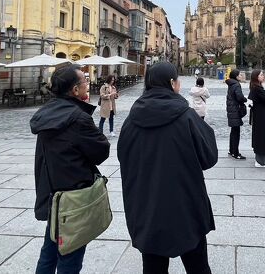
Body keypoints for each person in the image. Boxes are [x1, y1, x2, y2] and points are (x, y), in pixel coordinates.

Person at [118, 62, 218, 273]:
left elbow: (123, 157)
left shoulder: (131, 120)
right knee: (198, 266)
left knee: (153, 268)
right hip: (185, 207)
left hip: (147, 210)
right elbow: (209, 157)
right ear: (172, 83)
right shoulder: (187, 116)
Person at [30, 65, 110, 274]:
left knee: (49, 253)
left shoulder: (46, 113)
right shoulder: (78, 118)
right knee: (70, 258)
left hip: (53, 195)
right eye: (85, 80)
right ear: (75, 90)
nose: (88, 83)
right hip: (73, 198)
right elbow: (101, 151)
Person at [248, 69, 265, 167]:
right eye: (261, 75)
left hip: (258, 114)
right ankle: (260, 161)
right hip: (260, 116)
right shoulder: (257, 88)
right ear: (256, 77)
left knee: (261, 136)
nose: (263, 76)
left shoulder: (256, 87)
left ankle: (261, 159)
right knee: (261, 137)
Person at [226, 69, 248, 160]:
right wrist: (244, 99)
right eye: (240, 75)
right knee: (236, 133)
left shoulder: (231, 83)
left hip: (231, 109)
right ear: (236, 76)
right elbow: (239, 97)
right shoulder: (236, 85)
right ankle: (235, 153)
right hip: (235, 110)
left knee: (233, 131)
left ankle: (231, 150)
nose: (241, 76)